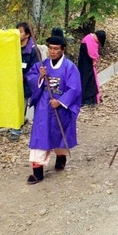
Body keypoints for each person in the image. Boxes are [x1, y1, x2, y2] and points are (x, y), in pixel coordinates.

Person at [26, 28, 82, 184]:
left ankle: (61, 156)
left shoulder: (70, 67)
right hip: (44, 106)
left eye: (56, 48)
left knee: (59, 133)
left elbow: (75, 88)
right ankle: (37, 171)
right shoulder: (42, 65)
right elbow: (31, 77)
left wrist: (61, 101)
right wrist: (40, 77)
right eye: (50, 48)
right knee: (40, 135)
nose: (52, 51)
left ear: (62, 49)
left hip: (60, 106)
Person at [10, 22, 40, 140]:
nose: (18, 34)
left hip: (27, 84)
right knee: (15, 105)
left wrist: (25, 77)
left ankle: (16, 131)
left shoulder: (32, 50)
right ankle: (18, 122)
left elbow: (35, 67)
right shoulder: (13, 47)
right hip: (13, 82)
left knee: (21, 104)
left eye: (21, 31)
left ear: (27, 34)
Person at [77, 30, 106, 106]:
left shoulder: (88, 37)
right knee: (89, 80)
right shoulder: (90, 40)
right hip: (87, 64)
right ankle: (89, 99)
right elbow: (92, 53)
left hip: (84, 63)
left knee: (85, 79)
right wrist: (95, 60)